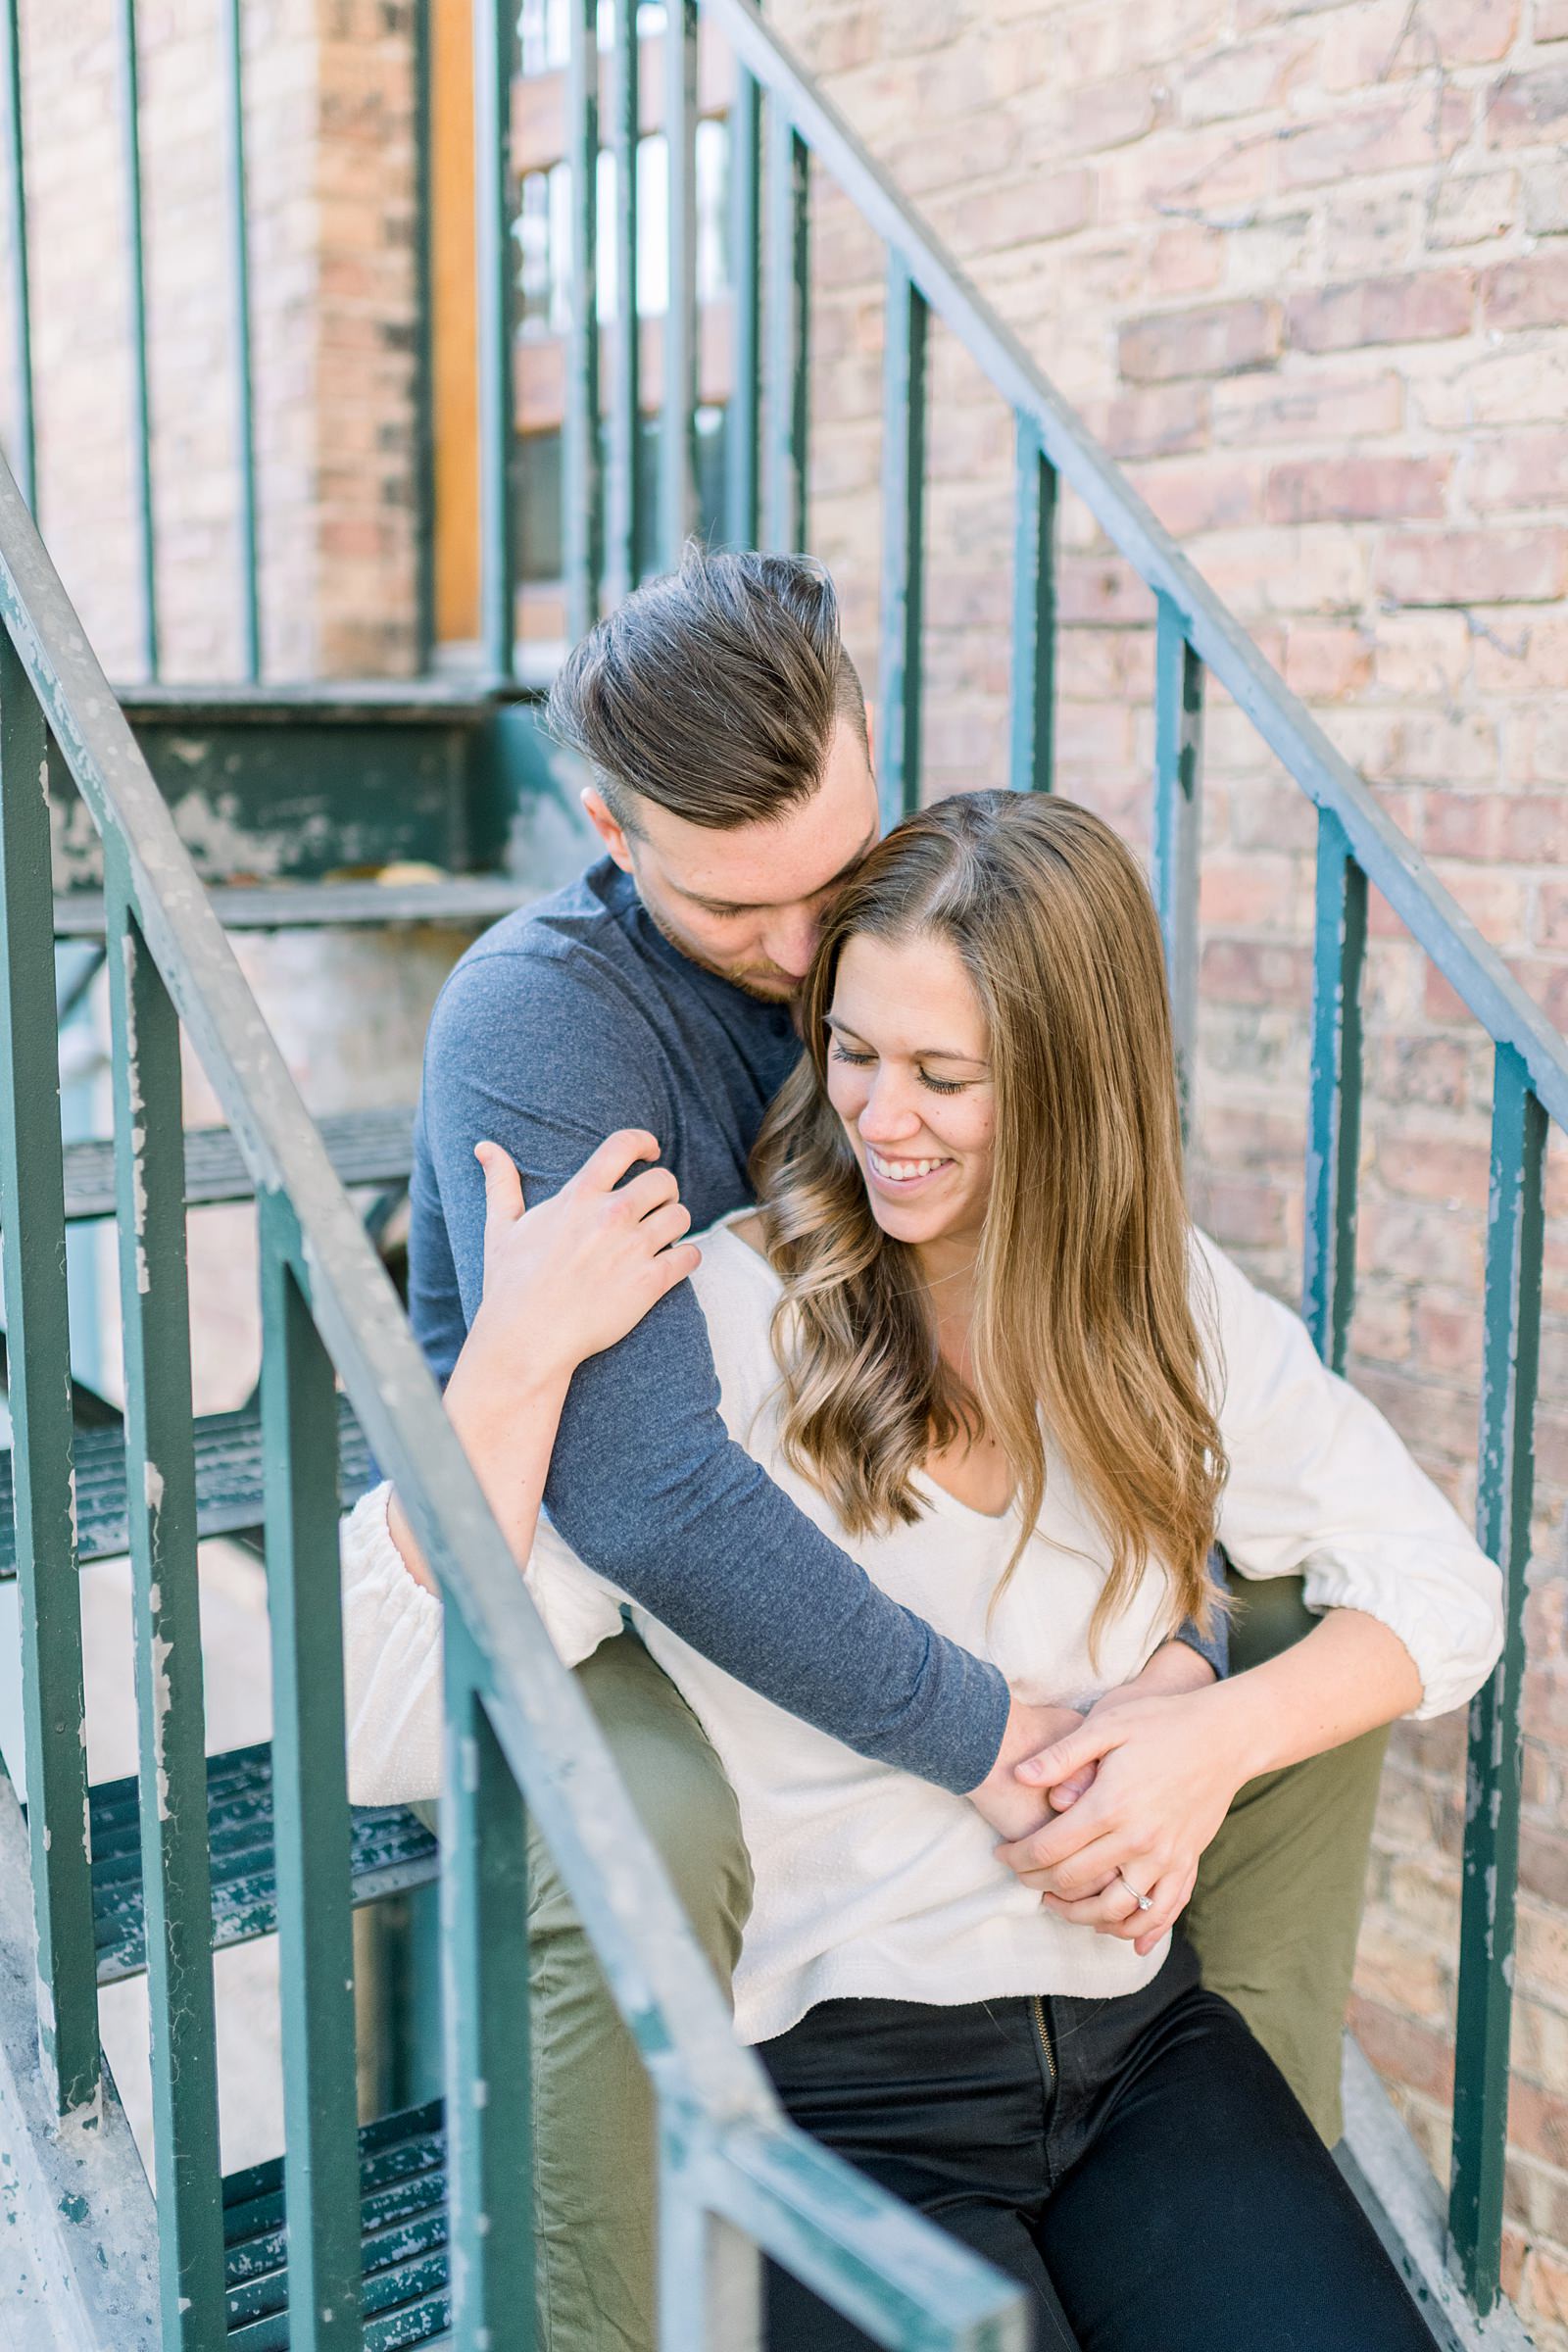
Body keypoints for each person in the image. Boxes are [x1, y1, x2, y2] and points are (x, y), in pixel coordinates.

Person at [378, 547, 1399, 2346]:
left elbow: (1084, 1299)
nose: (804, 961)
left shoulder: (913, 934)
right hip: (575, 1541)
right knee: (660, 1824)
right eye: (739, 916)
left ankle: (1215, 2189)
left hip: (858, 1498)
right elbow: (645, 1492)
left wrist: (1186, 1667)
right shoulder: (544, 1021)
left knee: (1290, 1658)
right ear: (612, 830)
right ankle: (624, 2301)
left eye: (832, 882)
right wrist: (1001, 1737)